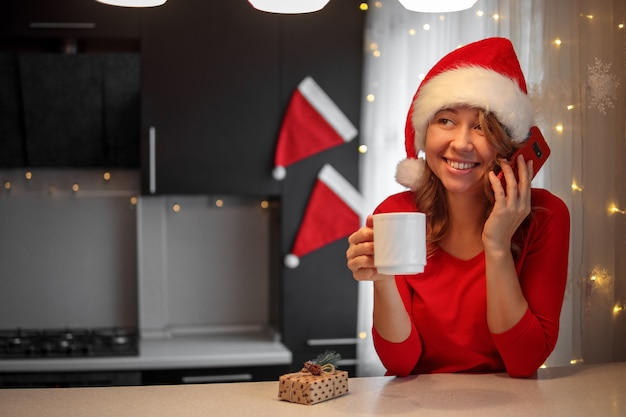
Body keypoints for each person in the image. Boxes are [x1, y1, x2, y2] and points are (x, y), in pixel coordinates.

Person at [346, 37, 570, 378]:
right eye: (446, 121)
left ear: (508, 143)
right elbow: (401, 364)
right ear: (425, 132)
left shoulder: (547, 215)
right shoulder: (397, 213)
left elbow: (525, 362)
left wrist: (496, 246)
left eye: (482, 127)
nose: (461, 143)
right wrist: (383, 280)